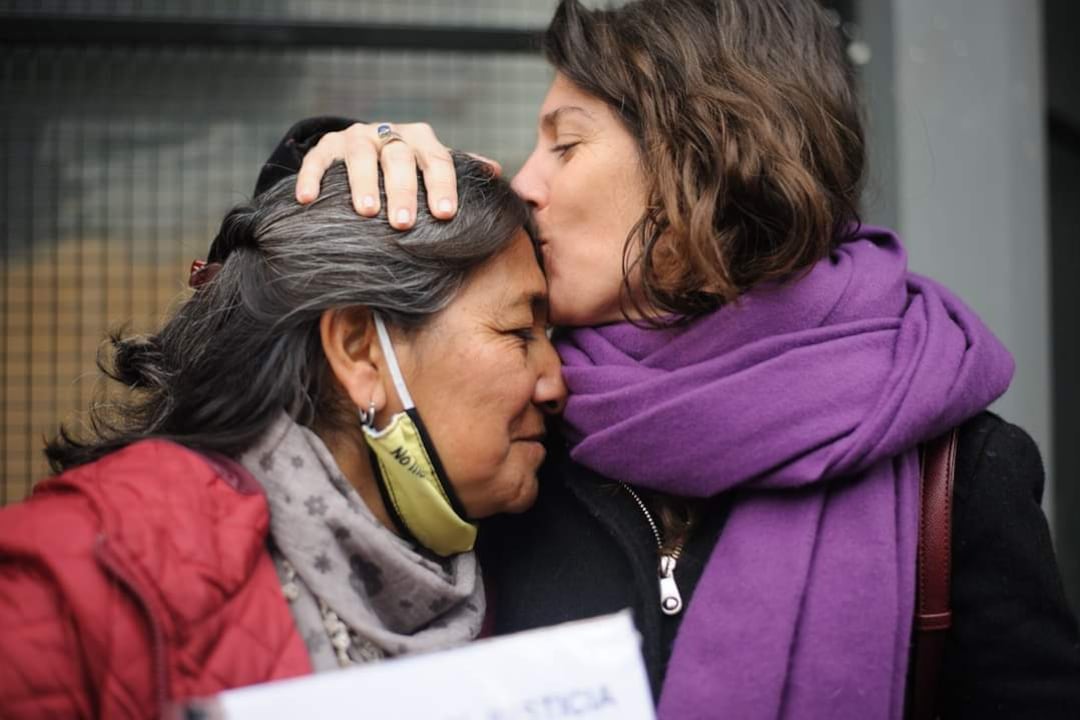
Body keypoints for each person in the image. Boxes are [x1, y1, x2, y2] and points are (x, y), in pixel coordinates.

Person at [261, 1, 1080, 718]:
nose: (526, 182)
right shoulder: (502, 425)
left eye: (565, 145)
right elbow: (275, 433)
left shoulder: (958, 468)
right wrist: (330, 178)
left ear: (706, 154)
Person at [0, 156, 566, 718]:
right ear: (359, 351)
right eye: (520, 332)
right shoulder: (106, 558)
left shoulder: (513, 575)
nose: (555, 383)